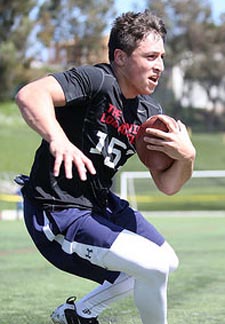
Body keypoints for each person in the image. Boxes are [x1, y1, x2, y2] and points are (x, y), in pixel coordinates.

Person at [15, 10, 196, 324]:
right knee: (151, 266)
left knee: (166, 262)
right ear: (120, 57)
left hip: (100, 205)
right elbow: (30, 94)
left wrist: (187, 157)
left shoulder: (149, 111)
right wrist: (58, 139)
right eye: (150, 56)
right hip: (58, 208)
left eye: (162, 57)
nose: (160, 67)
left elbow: (168, 186)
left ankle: (79, 314)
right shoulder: (97, 80)